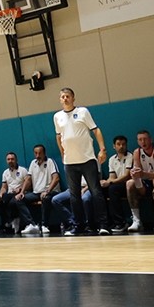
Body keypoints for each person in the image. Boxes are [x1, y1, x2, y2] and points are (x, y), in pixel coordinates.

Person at [53, 88, 110, 235]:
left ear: (73, 98)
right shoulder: (57, 116)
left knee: (96, 192)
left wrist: (102, 149)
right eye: (62, 97)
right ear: (60, 100)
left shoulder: (83, 112)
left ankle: (103, 225)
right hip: (70, 163)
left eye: (68, 96)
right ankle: (78, 226)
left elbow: (96, 130)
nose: (65, 99)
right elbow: (58, 136)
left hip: (87, 159)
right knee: (74, 196)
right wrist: (62, 152)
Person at [22, 144, 60, 234]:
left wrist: (47, 190)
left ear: (44, 153)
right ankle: (31, 225)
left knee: (45, 198)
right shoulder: (33, 163)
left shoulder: (50, 161)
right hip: (36, 192)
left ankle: (44, 225)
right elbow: (28, 179)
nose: (38, 155)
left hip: (51, 191)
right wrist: (22, 192)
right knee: (19, 199)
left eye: (40, 153)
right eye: (36, 153)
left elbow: (56, 178)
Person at [101, 135, 134, 233]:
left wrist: (110, 182)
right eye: (118, 144)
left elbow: (127, 175)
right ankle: (106, 223)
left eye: (123, 144)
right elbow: (112, 176)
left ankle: (121, 222)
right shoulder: (111, 159)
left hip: (129, 184)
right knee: (101, 191)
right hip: (117, 184)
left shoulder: (130, 156)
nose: (121, 146)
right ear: (114, 146)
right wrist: (105, 182)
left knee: (113, 189)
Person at [0, 151, 32, 235]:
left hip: (20, 193)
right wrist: (0, 194)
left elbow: (29, 184)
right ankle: (10, 220)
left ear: (16, 160)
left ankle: (14, 221)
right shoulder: (5, 173)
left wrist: (20, 189)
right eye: (8, 159)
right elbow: (4, 187)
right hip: (9, 194)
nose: (10, 161)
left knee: (12, 202)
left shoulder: (23, 170)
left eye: (12, 159)